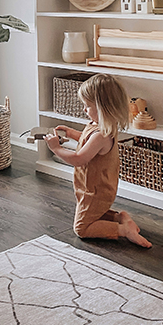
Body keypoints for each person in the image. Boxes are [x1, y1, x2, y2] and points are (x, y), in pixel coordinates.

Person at [45, 73, 152, 248]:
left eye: (87, 106)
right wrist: (72, 134)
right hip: (94, 186)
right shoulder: (99, 126)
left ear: (103, 107)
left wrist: (56, 148)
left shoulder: (102, 134)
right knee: (93, 215)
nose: (84, 110)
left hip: (95, 190)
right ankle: (119, 218)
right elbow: (87, 141)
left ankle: (123, 230)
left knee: (82, 227)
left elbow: (79, 159)